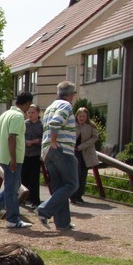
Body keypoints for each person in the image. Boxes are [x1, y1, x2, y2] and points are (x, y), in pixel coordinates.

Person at [0, 92, 33, 229]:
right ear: (27, 103)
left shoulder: (5, 114)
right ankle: (12, 219)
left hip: (3, 156)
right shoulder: (18, 116)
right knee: (12, 188)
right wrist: (13, 159)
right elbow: (12, 137)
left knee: (13, 186)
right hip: (12, 157)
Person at [36, 81, 78, 232]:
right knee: (72, 184)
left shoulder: (50, 107)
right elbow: (56, 123)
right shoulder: (66, 106)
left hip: (47, 151)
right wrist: (54, 141)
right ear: (71, 94)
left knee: (60, 187)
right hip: (61, 149)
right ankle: (44, 210)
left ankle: (62, 223)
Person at [72, 107, 101, 204]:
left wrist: (82, 146)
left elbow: (95, 137)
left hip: (86, 151)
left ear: (87, 117)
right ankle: (73, 196)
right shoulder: (72, 125)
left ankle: (79, 195)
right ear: (77, 116)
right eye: (80, 116)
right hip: (74, 151)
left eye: (84, 116)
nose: (82, 118)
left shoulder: (91, 125)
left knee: (83, 174)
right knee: (76, 173)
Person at [21, 104, 44, 210]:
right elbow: (19, 136)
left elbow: (45, 138)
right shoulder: (24, 124)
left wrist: (37, 141)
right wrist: (26, 142)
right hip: (25, 153)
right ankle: (22, 198)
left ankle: (35, 200)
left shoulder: (42, 125)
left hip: (36, 154)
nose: (30, 115)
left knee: (34, 177)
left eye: (33, 112)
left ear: (38, 113)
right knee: (23, 176)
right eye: (29, 112)